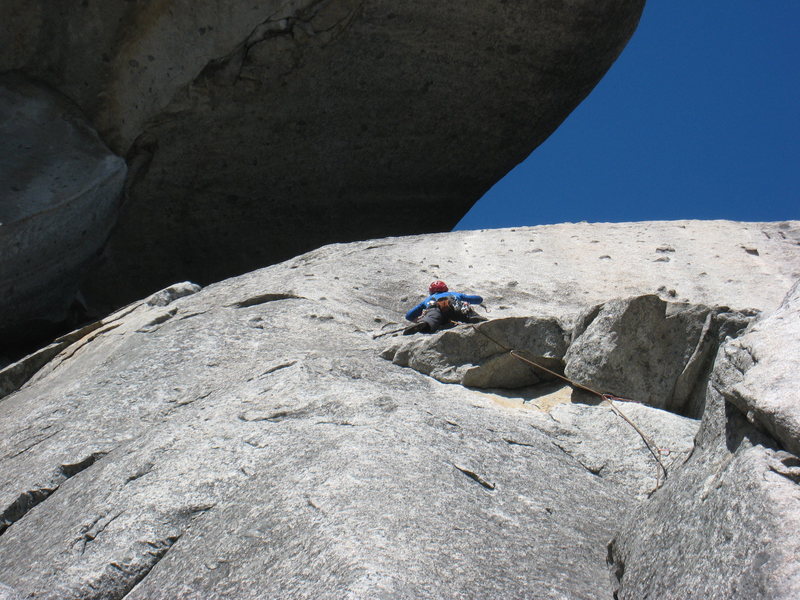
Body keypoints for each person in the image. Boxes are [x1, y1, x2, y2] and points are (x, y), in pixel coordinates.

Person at [403, 280, 486, 335]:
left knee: (432, 316)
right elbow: (478, 299)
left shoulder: (427, 300)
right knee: (464, 310)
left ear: (431, 291)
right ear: (445, 289)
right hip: (454, 307)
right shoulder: (454, 294)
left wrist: (417, 319)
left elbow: (409, 315)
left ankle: (426, 324)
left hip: (437, 312)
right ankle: (475, 318)